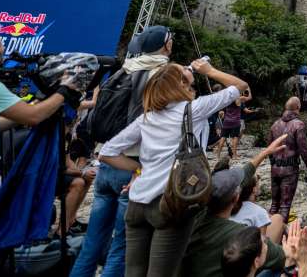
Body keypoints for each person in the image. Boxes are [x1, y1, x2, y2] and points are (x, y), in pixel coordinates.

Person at [99, 60, 249, 277]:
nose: (189, 71)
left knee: (133, 272)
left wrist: (142, 168)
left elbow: (107, 152)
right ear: (179, 85)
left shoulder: (147, 117)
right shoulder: (193, 109)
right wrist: (210, 71)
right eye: (185, 73)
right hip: (172, 202)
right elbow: (240, 85)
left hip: (137, 203)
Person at [0, 32, 83, 274]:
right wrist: (63, 92)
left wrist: (32, 109)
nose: (5, 53)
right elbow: (34, 117)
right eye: (1, 48)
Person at [71, 25, 174, 277]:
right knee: (122, 245)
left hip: (107, 162)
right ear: (166, 45)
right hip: (135, 167)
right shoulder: (164, 73)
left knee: (93, 241)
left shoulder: (124, 70)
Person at [183, 137, 291, 277]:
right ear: (236, 198)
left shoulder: (195, 214)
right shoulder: (239, 234)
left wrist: (266, 152)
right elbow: (281, 257)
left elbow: (245, 174)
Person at [268, 96, 307, 221]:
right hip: (290, 171)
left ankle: (267, 233)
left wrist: (273, 164)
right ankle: (279, 236)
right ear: (298, 108)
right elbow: (303, 150)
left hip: (275, 168)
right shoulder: (298, 125)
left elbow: (270, 149)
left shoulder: (274, 125)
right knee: (285, 206)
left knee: (274, 205)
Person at [59, 137, 97, 236]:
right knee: (78, 183)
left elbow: (68, 161)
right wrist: (82, 173)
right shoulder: (55, 135)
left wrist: (81, 172)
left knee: (87, 179)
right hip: (46, 177)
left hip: (58, 172)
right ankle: (62, 230)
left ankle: (71, 220)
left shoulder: (67, 135)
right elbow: (59, 168)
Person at [216, 92, 252, 159]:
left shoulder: (228, 99)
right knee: (235, 137)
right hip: (235, 121)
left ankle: (218, 155)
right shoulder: (239, 99)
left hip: (226, 121)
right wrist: (248, 89)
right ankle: (234, 155)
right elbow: (249, 97)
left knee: (223, 137)